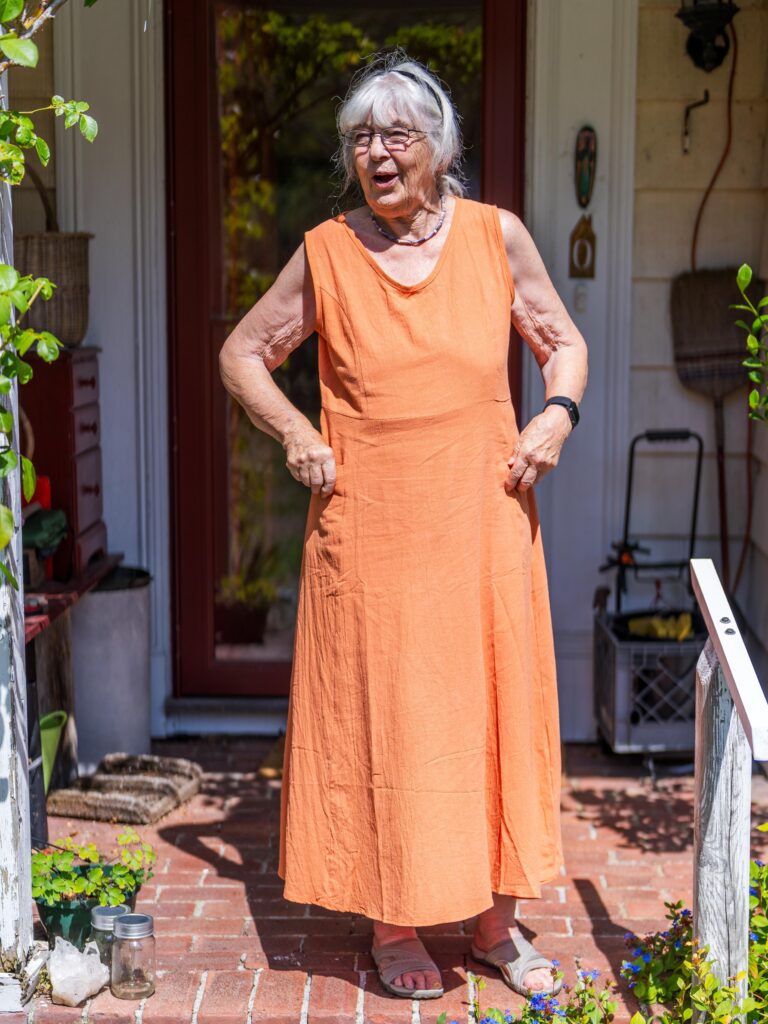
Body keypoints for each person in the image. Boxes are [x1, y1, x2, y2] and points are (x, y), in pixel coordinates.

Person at [219, 54, 588, 1002]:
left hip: (481, 520)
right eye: (360, 139)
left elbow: (562, 342)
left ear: (441, 150)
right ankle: (394, 922)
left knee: (492, 712)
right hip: (373, 527)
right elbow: (244, 354)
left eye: (397, 136)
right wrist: (297, 434)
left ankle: (497, 926)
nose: (377, 155)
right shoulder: (328, 252)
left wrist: (556, 416)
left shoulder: (496, 236)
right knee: (390, 716)